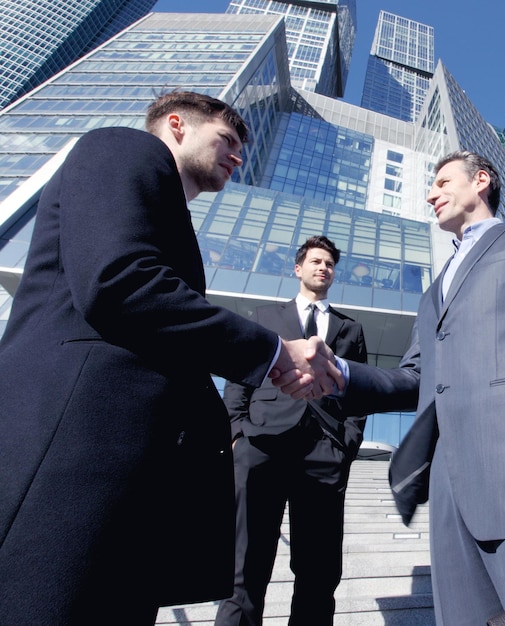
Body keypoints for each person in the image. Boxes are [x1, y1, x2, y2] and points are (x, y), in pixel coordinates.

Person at [0, 91, 341, 626]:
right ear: (177, 125)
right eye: (227, 140)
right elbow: (120, 282)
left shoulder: (168, 211)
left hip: (124, 471)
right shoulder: (122, 149)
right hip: (72, 451)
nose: (237, 157)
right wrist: (273, 351)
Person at [274, 151, 505, 625]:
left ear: (481, 181)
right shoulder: (432, 293)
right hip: (450, 503)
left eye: (441, 182)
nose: (430, 194)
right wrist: (343, 372)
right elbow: (415, 379)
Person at [214, 235, 368, 626]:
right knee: (244, 568)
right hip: (262, 445)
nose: (323, 268)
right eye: (316, 261)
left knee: (318, 572)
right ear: (298, 268)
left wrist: (346, 444)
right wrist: (236, 435)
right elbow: (239, 378)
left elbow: (359, 394)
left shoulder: (351, 330)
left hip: (324, 454)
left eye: (330, 264)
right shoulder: (265, 317)